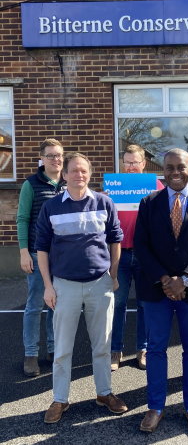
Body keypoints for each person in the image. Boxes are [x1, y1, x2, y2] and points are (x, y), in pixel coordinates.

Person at [35, 152, 128, 423]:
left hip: (100, 283)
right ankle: (60, 399)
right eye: (73, 170)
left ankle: (104, 393)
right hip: (64, 286)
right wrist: (47, 286)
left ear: (90, 174)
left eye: (84, 171)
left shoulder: (104, 202)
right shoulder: (51, 207)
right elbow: (41, 248)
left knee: (102, 345)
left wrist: (113, 273)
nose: (79, 175)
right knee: (63, 348)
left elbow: (115, 240)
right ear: (64, 175)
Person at [133, 149, 188, 434]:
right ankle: (155, 407)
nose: (174, 172)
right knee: (156, 348)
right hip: (157, 288)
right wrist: (164, 279)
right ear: (163, 170)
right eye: (169, 167)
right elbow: (141, 245)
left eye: (180, 167)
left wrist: (185, 279)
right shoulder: (148, 203)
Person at [111, 144, 164, 372]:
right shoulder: (114, 187)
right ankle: (115, 350)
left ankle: (142, 349)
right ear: (123, 164)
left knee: (144, 304)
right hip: (119, 255)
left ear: (144, 164)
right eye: (127, 162)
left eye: (135, 162)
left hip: (144, 256)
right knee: (118, 304)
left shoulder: (156, 186)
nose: (131, 166)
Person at [16, 138, 66, 377]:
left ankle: (54, 350)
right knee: (35, 306)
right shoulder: (31, 184)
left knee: (57, 305)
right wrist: (24, 252)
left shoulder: (70, 182)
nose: (55, 159)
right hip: (37, 253)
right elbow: (22, 219)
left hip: (64, 256)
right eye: (50, 155)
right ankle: (31, 354)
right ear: (42, 159)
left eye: (58, 155)